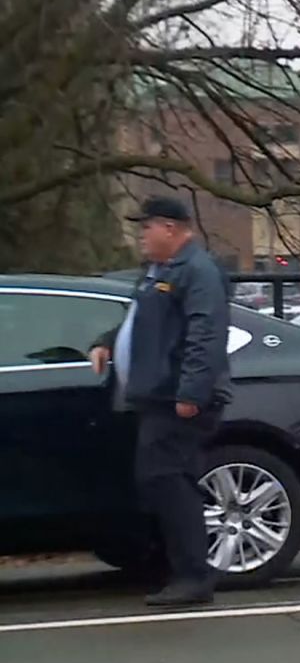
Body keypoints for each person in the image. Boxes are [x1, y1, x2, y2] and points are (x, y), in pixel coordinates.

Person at [90, 196, 232, 607]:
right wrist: (107, 343)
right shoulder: (158, 272)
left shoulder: (197, 272)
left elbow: (205, 337)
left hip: (177, 398)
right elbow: (140, 322)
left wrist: (191, 393)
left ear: (170, 228)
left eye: (145, 227)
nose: (141, 236)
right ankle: (179, 567)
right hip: (156, 396)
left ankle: (193, 575)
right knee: (163, 480)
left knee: (168, 480)